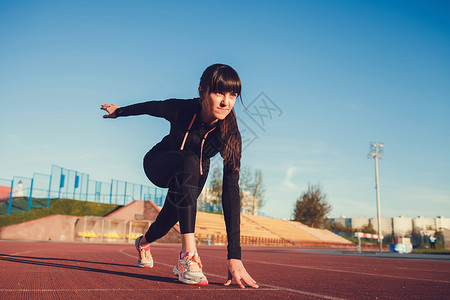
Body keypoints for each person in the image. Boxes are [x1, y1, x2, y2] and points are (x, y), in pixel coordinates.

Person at [101, 64, 258, 288]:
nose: (226, 102)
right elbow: (152, 106)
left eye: (232, 95)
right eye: (218, 93)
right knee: (190, 159)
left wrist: (234, 255)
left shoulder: (230, 133)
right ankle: (188, 257)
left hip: (192, 177)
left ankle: (143, 244)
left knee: (164, 224)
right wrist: (120, 111)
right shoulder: (182, 109)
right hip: (160, 163)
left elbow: (231, 192)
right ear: (202, 91)